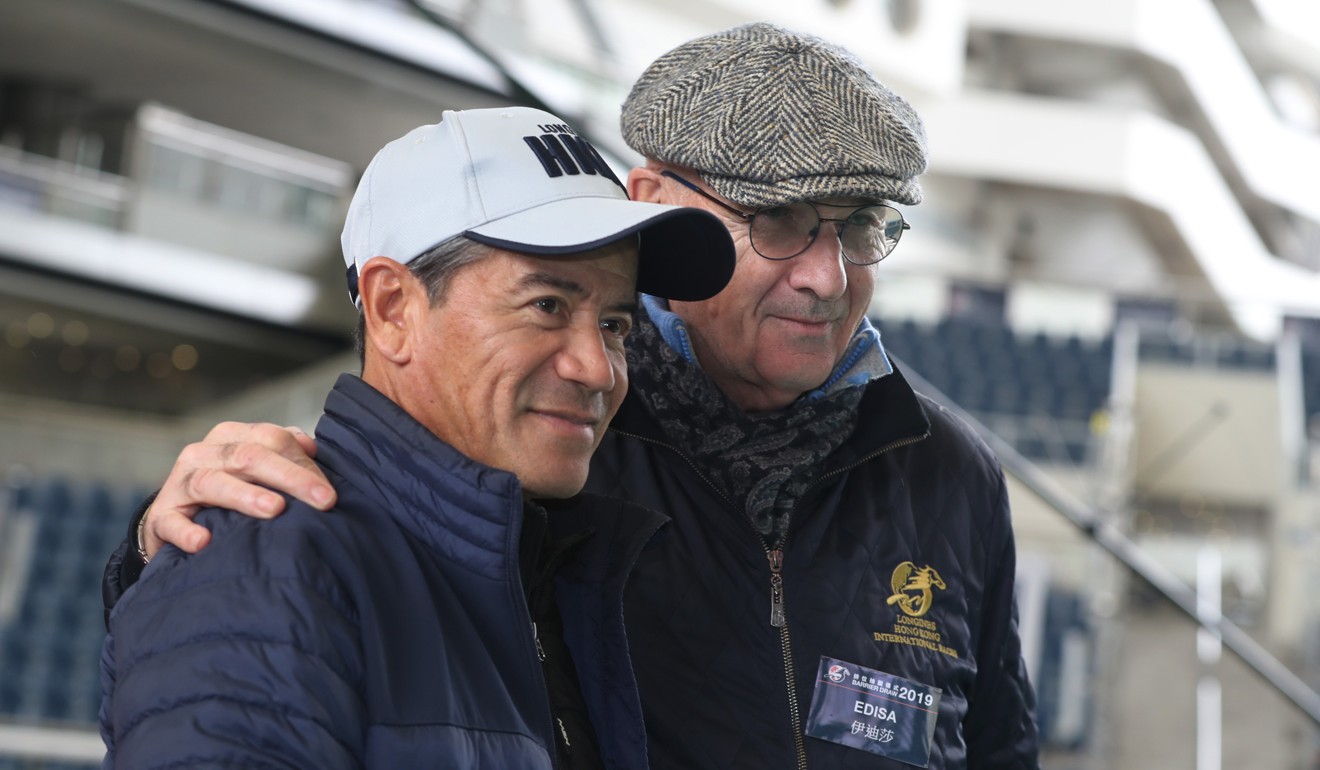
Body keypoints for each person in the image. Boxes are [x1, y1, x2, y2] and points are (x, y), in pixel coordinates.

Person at [104, 23, 1040, 769]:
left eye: (864, 226)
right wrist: (169, 547)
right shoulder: (537, 450)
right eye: (781, 222)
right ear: (655, 200)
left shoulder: (947, 473)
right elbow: (295, 603)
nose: (828, 277)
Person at [98, 105, 735, 769]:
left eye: (614, 325)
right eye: (547, 305)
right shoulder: (268, 567)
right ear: (393, 309)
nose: (598, 367)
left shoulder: (552, 573)